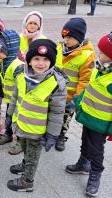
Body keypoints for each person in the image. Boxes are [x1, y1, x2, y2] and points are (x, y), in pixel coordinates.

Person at [6, 39, 68, 192]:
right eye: (36, 59)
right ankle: (25, 164)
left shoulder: (56, 84)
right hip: (21, 124)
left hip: (37, 131)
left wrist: (52, 134)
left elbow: (57, 112)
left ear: (52, 61)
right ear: (29, 60)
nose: (41, 63)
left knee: (33, 155)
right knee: (24, 147)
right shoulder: (21, 74)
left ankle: (27, 180)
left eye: (46, 59)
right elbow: (15, 96)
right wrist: (9, 115)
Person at [66, 33, 112, 197]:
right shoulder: (99, 69)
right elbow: (88, 90)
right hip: (88, 116)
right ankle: (83, 164)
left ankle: (95, 174)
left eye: (102, 52)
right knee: (85, 142)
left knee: (96, 149)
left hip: (100, 123)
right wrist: (77, 102)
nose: (98, 54)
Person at [55, 18, 95, 151]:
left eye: (70, 37)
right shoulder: (59, 47)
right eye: (65, 36)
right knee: (53, 114)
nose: (66, 40)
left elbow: (85, 79)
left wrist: (77, 97)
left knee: (66, 117)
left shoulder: (86, 55)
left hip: (70, 96)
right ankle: (50, 133)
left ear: (79, 38)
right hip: (55, 92)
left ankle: (61, 135)